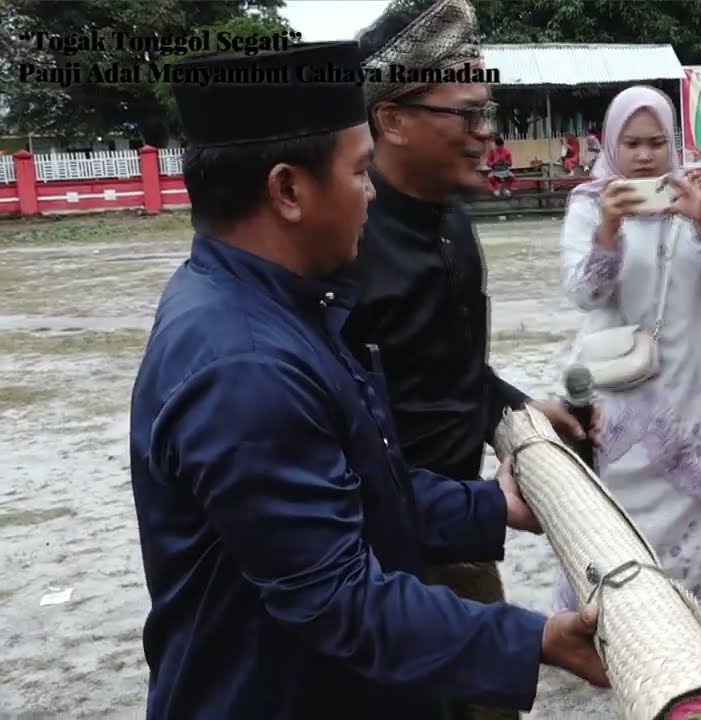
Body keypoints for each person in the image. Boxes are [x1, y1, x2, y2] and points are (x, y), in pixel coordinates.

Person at [130, 41, 607, 720]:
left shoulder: (282, 306)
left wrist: (489, 508)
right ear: (289, 190)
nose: (372, 191)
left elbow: (360, 488)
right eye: (358, 172)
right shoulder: (246, 366)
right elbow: (337, 596)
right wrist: (535, 640)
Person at [344, 4, 600, 717]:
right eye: (467, 115)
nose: (487, 134)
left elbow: (452, 375)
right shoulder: (344, 247)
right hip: (374, 565)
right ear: (392, 119)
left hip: (462, 538)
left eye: (490, 112)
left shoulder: (453, 222)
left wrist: (518, 410)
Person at [557, 85, 701, 611]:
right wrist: (608, 229)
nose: (645, 155)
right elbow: (585, 293)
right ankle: (608, 617)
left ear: (674, 145)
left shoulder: (698, 197)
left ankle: (687, 614)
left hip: (692, 384)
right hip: (616, 390)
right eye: (632, 143)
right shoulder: (588, 205)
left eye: (657, 143)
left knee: (690, 507)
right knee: (608, 505)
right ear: (611, 144)